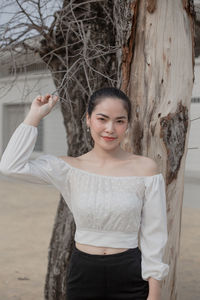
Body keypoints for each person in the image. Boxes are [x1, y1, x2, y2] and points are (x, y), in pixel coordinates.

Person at [0, 87, 169, 300]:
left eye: (119, 121)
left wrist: (155, 292)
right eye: (102, 119)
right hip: (83, 274)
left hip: (130, 273)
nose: (110, 129)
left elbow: (154, 233)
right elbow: (10, 166)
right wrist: (35, 115)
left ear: (127, 124)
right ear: (88, 119)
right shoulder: (69, 168)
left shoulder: (145, 169)